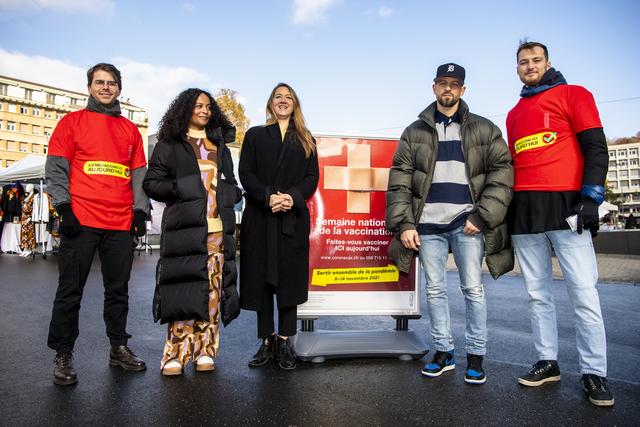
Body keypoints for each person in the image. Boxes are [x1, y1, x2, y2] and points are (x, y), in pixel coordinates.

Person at [386, 63, 514, 385]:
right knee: (435, 290)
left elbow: (502, 172)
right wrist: (404, 224)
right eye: (442, 83)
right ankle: (443, 352)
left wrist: (481, 216)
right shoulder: (414, 132)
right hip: (426, 225)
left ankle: (475, 356)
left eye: (454, 84)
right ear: (434, 88)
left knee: (472, 289)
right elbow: (399, 182)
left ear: (463, 90)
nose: (448, 89)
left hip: (466, 223)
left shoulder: (484, 129)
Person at [506, 41, 613, 406]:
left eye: (536, 60)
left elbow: (596, 147)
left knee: (584, 293)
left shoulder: (574, 94)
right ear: (517, 68)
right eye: (523, 62)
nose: (530, 66)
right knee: (538, 296)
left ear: (548, 62)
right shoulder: (514, 112)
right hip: (525, 210)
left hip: (568, 205)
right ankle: (547, 361)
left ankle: (595, 373)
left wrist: (590, 199)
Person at [45, 63, 149, 386]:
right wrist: (64, 207)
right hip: (82, 222)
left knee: (118, 291)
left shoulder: (131, 131)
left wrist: (140, 212)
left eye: (112, 83)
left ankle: (118, 347)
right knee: (69, 291)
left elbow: (139, 176)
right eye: (99, 82)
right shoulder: (71, 123)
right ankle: (63, 354)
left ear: (119, 88)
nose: (106, 88)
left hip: (119, 223)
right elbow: (57, 168)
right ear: (89, 87)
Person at [143, 89, 241, 376]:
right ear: (185, 108)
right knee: (182, 290)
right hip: (183, 230)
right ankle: (175, 353)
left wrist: (228, 194)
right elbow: (152, 183)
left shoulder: (219, 145)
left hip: (216, 231)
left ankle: (205, 351)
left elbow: (233, 185)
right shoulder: (169, 144)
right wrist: (179, 188)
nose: (204, 111)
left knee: (212, 291)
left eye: (208, 107)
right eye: (198, 105)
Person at [239, 83, 319, 370]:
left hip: (291, 218)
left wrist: (291, 198)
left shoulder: (306, 138)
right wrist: (268, 197)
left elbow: (312, 177)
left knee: (289, 280)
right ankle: (266, 340)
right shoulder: (255, 135)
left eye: (288, 97)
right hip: (261, 217)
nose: (283, 101)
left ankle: (285, 341)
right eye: (278, 97)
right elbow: (245, 173)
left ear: (295, 104)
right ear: (270, 103)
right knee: (261, 281)